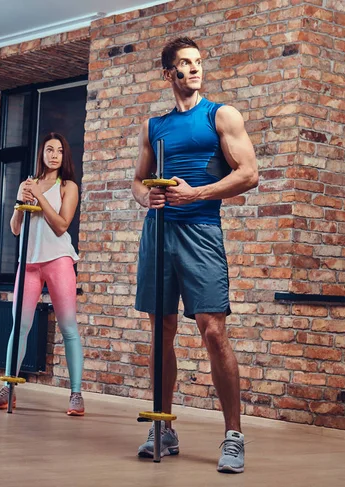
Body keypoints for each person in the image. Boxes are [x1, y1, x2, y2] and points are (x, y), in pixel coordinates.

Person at [131, 37, 258, 473]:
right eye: (185, 63)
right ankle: (163, 426)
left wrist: (197, 193)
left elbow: (249, 173)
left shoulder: (220, 115)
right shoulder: (154, 126)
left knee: (213, 331)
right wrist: (146, 199)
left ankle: (233, 435)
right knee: (160, 330)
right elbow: (137, 181)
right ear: (169, 74)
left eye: (199, 61)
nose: (195, 69)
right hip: (158, 232)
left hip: (201, 231)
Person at [0, 132, 85, 416]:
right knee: (20, 327)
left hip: (58, 260)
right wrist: (20, 201)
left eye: (59, 151)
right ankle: (9, 389)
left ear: (65, 157)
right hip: (28, 263)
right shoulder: (27, 184)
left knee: (68, 327)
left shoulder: (68, 186)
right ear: (41, 153)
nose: (54, 155)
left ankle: (76, 394)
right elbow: (16, 228)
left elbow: (61, 226)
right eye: (49, 150)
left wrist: (39, 195)